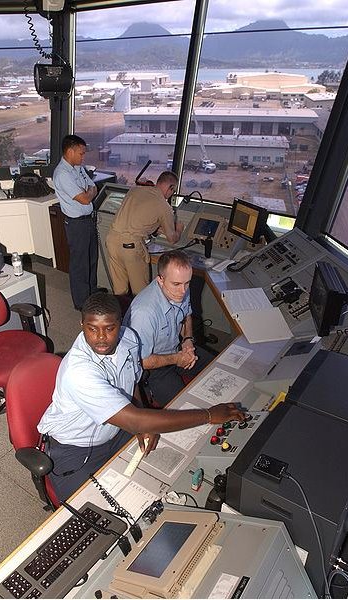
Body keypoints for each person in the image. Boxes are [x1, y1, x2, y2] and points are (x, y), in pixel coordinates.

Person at [37, 292, 245, 502]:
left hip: (116, 430)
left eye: (109, 328)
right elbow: (134, 419)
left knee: (162, 478)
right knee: (95, 514)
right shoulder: (78, 371)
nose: (101, 337)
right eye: (92, 329)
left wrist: (141, 417)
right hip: (75, 450)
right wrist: (208, 415)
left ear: (120, 323)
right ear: (81, 324)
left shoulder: (128, 338)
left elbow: (131, 381)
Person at [123, 250, 215, 407]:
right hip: (153, 367)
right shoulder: (144, 313)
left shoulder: (181, 286)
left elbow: (187, 316)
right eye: (177, 284)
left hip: (176, 349)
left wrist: (187, 340)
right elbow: (141, 361)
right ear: (160, 280)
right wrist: (177, 359)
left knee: (217, 368)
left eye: (187, 283)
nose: (183, 291)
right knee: (184, 408)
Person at [106, 171, 185, 296]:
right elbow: (172, 238)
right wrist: (179, 229)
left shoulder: (135, 190)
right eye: (173, 192)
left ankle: (120, 314)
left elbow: (136, 218)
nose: (171, 195)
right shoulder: (164, 206)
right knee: (141, 293)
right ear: (171, 188)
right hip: (130, 247)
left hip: (111, 240)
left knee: (120, 290)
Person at [53, 134, 105, 311]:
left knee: (91, 259)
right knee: (79, 264)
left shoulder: (78, 168)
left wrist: (88, 193)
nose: (83, 157)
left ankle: (92, 293)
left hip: (88, 221)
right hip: (76, 225)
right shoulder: (62, 174)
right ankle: (82, 302)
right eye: (81, 153)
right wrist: (88, 194)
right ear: (70, 151)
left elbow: (93, 187)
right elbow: (84, 198)